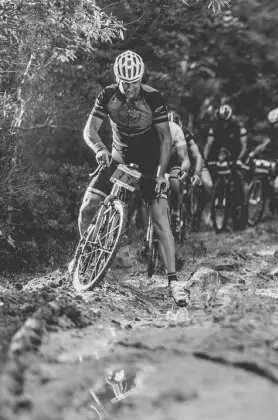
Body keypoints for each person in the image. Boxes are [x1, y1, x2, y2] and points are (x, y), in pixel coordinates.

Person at [75, 50, 188, 306]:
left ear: (141, 78)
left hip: (149, 163)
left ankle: (174, 282)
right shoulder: (107, 95)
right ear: (117, 79)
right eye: (124, 83)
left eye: (134, 82)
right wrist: (100, 149)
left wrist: (160, 174)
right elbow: (89, 129)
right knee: (87, 208)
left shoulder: (152, 97)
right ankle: (87, 254)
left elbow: (164, 138)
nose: (129, 87)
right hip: (118, 158)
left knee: (160, 220)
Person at [166, 110, 209, 230]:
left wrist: (197, 173)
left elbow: (198, 156)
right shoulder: (158, 131)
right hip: (167, 164)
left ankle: (190, 214)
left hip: (184, 164)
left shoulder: (185, 133)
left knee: (203, 186)